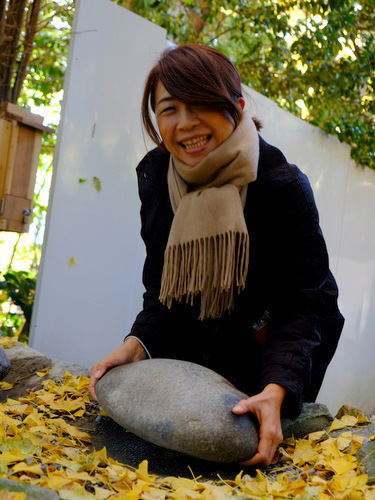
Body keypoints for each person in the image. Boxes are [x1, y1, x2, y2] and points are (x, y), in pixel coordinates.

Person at [89, 44, 344, 466]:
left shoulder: (282, 184)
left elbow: (304, 303)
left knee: (247, 445)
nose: (185, 123)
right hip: (199, 340)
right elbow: (161, 289)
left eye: (200, 104)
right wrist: (137, 344)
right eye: (169, 109)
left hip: (277, 341)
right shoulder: (156, 178)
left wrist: (277, 387)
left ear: (236, 107)